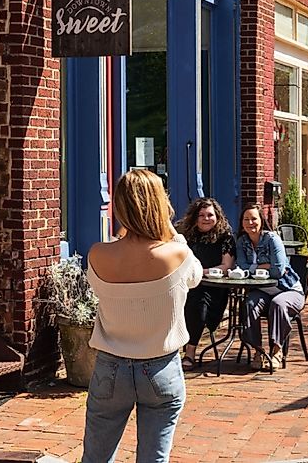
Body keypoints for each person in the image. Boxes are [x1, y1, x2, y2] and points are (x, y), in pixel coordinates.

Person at [83, 169, 202, 463]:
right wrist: (173, 233)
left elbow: (97, 286)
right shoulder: (177, 254)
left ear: (120, 206)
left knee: (96, 458)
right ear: (160, 205)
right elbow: (195, 277)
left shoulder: (98, 255)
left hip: (110, 368)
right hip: (161, 368)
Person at [235, 204, 304, 370]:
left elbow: (278, 271)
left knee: (278, 304)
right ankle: (258, 351)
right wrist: (264, 266)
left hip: (288, 289)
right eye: (246, 219)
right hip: (262, 291)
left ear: (261, 220)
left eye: (254, 219)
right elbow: (241, 265)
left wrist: (253, 268)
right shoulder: (242, 241)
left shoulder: (272, 239)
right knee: (249, 304)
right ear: (242, 223)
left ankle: (276, 350)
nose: (250, 222)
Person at [175, 198, 236, 371]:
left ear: (217, 216)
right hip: (185, 284)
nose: (206, 218)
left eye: (210, 215)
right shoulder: (186, 236)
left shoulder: (226, 238)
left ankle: (190, 352)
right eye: (201, 215)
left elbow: (226, 267)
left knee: (198, 305)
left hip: (212, 288)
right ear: (195, 217)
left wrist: (200, 272)